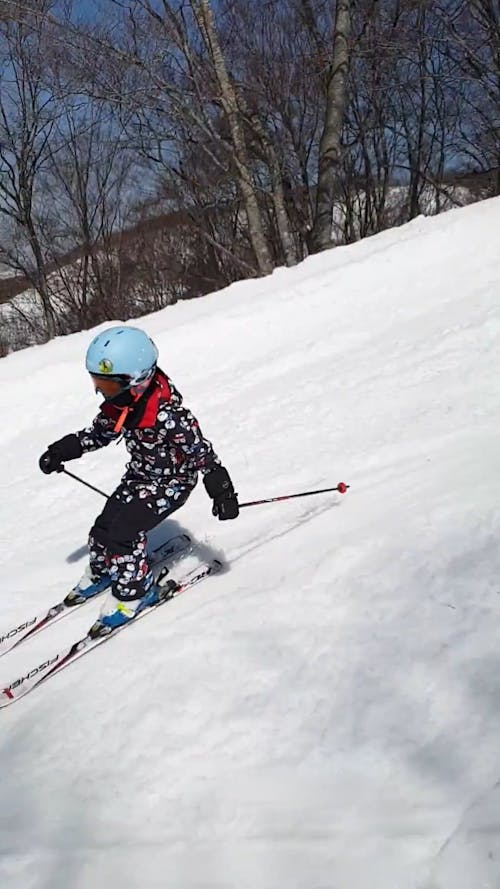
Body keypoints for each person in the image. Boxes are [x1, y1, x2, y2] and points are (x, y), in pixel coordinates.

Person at [39, 325, 239, 636]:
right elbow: (97, 434)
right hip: (139, 477)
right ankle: (104, 569)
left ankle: (136, 591)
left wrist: (222, 491)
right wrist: (62, 450)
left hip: (172, 485)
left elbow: (204, 455)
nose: (101, 391)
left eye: (106, 384)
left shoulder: (170, 416)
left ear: (136, 379)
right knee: (104, 526)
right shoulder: (123, 406)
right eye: (97, 383)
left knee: (123, 533)